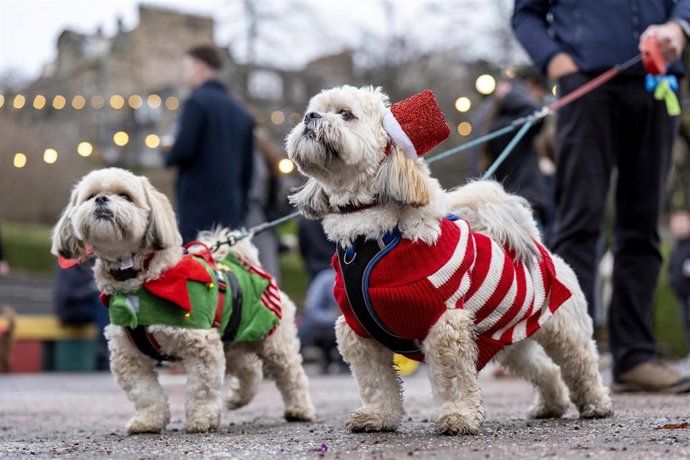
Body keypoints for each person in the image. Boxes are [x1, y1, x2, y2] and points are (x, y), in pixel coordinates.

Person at [513, 1, 690, 392]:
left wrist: (680, 27)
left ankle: (635, 358)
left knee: (642, 225)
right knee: (579, 224)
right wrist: (557, 61)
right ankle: (568, 360)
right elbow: (525, 14)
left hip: (658, 83)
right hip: (586, 87)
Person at [164, 45, 254, 243]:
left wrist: (167, 151)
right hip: (231, 210)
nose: (184, 76)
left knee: (197, 268)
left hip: (197, 210)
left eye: (185, 69)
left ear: (198, 67)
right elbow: (248, 169)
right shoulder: (241, 112)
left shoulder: (196, 103)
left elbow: (182, 151)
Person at [482, 66, 552, 240]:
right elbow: (536, 113)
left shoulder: (495, 124)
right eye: (540, 92)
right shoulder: (507, 125)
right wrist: (511, 91)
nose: (540, 98)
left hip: (511, 208)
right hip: (522, 207)